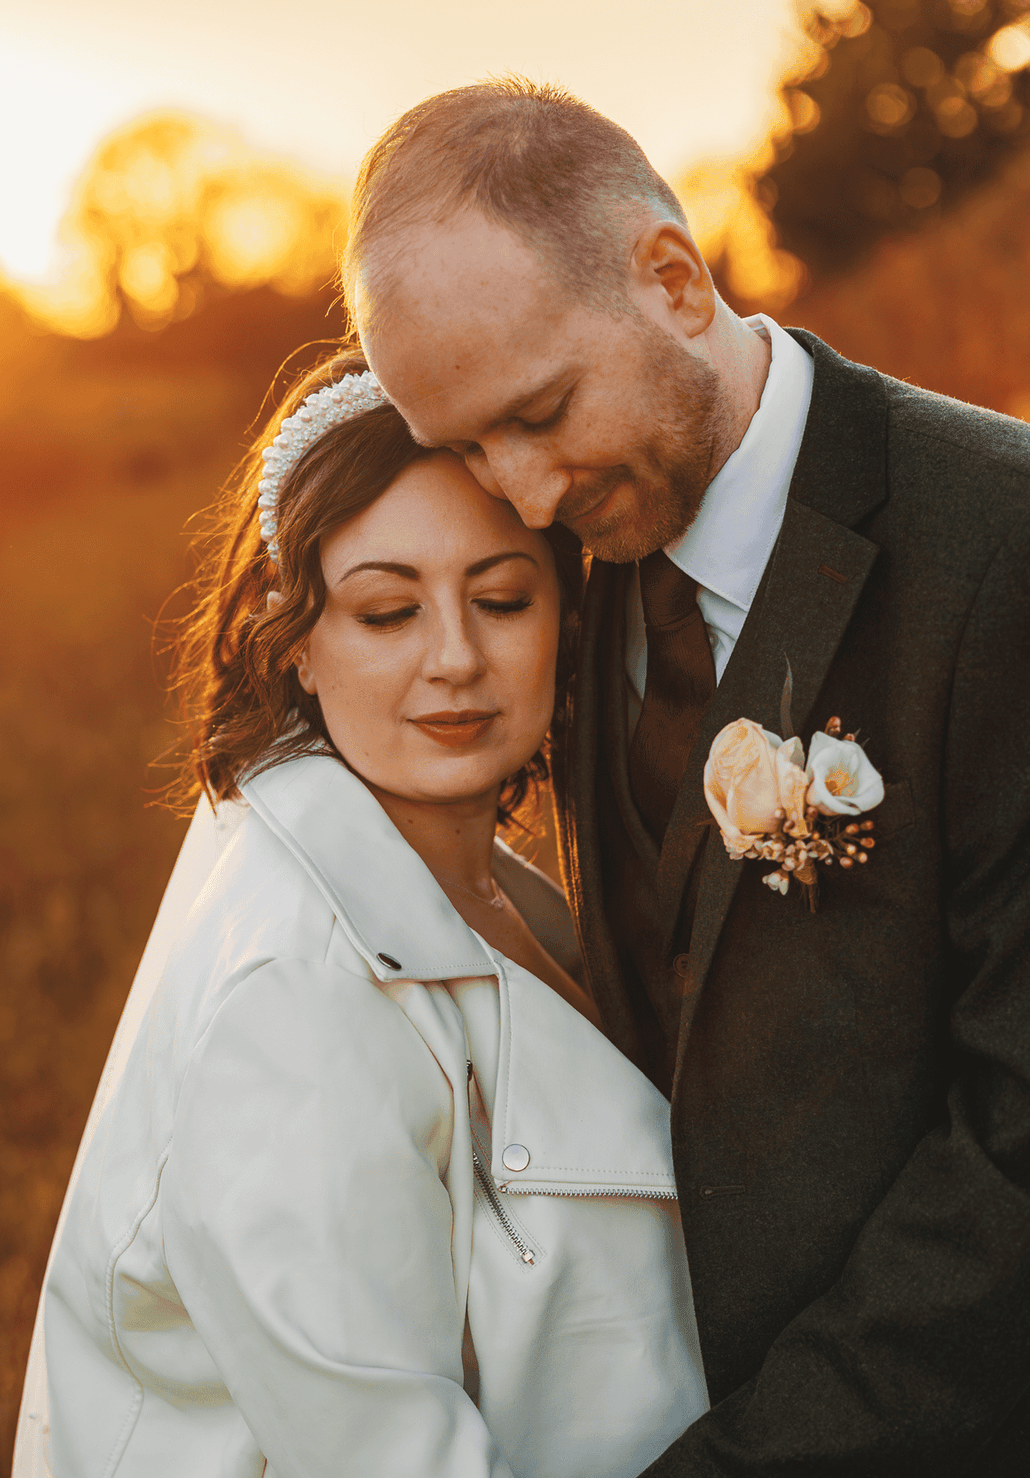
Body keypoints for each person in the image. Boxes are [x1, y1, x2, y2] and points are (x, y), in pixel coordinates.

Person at [347, 78, 1030, 1475]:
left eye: (541, 411)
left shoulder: (998, 547)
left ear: (670, 278)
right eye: (467, 445)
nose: (523, 493)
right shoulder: (563, 568)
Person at [12, 349, 709, 1478]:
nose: (456, 658)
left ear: (565, 617)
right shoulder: (292, 1005)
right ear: (294, 642)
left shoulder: (485, 883)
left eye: (501, 599)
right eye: (387, 612)